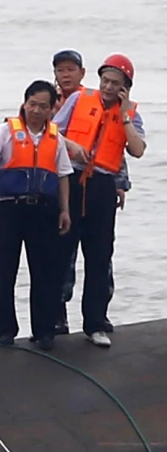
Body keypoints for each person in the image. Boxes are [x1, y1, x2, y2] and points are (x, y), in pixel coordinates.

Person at [0, 80, 73, 351]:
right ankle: (6, 331)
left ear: (52, 108)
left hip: (43, 211)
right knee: (5, 272)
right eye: (32, 104)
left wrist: (65, 210)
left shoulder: (55, 137)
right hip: (10, 209)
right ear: (24, 103)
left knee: (44, 273)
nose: (37, 110)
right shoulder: (5, 131)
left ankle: (44, 331)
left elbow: (63, 177)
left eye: (43, 106)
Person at [52, 53, 146, 348]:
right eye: (105, 80)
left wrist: (126, 114)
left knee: (99, 256)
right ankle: (53, 321)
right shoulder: (78, 100)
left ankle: (95, 323)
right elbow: (52, 132)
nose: (107, 87)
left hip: (103, 186)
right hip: (72, 181)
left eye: (115, 83)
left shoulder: (130, 112)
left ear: (125, 87)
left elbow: (138, 149)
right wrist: (73, 146)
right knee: (60, 254)